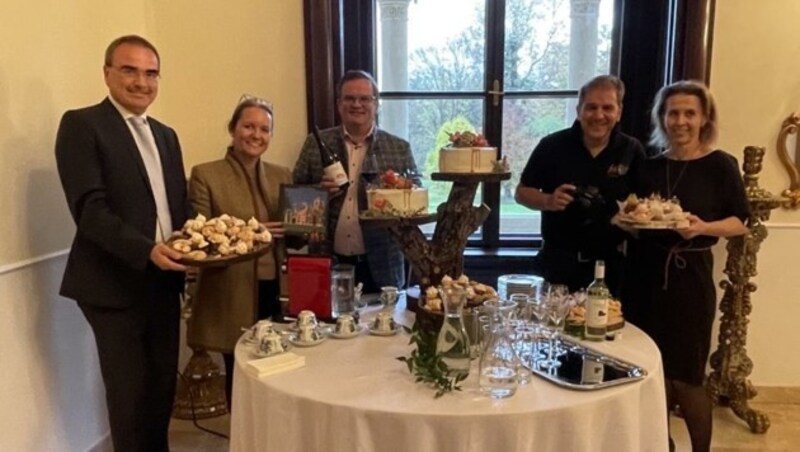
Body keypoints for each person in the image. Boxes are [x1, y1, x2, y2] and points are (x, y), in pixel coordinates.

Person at [54, 35, 191, 452]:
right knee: (129, 399)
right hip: (112, 285)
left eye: (150, 73)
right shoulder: (82, 125)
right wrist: (146, 249)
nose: (141, 82)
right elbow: (90, 211)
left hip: (163, 283)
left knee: (161, 392)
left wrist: (197, 246)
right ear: (107, 73)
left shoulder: (166, 135)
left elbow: (176, 210)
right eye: (129, 70)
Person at [619, 81, 749, 452]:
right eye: (673, 113)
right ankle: (662, 444)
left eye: (689, 113)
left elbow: (741, 221)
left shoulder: (720, 165)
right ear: (662, 117)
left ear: (704, 118)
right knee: (650, 371)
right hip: (643, 277)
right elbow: (631, 212)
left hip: (689, 281)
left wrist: (703, 228)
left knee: (688, 376)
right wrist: (627, 222)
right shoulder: (647, 165)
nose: (680, 121)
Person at [187, 96, 291, 406]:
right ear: (233, 129)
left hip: (276, 287)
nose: (256, 135)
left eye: (264, 129)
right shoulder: (205, 174)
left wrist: (303, 227)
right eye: (248, 126)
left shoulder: (281, 174)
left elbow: (293, 231)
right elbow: (201, 236)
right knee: (240, 373)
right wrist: (254, 229)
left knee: (277, 369)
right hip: (231, 290)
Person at [515, 75, 645, 294]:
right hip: (558, 263)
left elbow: (644, 206)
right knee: (552, 326)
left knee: (607, 328)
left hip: (611, 266)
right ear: (579, 110)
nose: (599, 115)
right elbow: (521, 193)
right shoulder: (551, 146)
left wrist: (624, 215)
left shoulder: (632, 150)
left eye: (607, 108)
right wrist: (548, 200)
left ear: (619, 112)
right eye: (591, 107)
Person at [293, 70, 418, 293]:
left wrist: (393, 192)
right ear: (339, 104)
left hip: (383, 264)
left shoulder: (399, 148)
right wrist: (317, 196)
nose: (357, 104)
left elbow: (415, 201)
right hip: (328, 259)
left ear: (376, 104)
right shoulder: (316, 143)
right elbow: (295, 199)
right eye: (349, 98)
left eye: (364, 99)